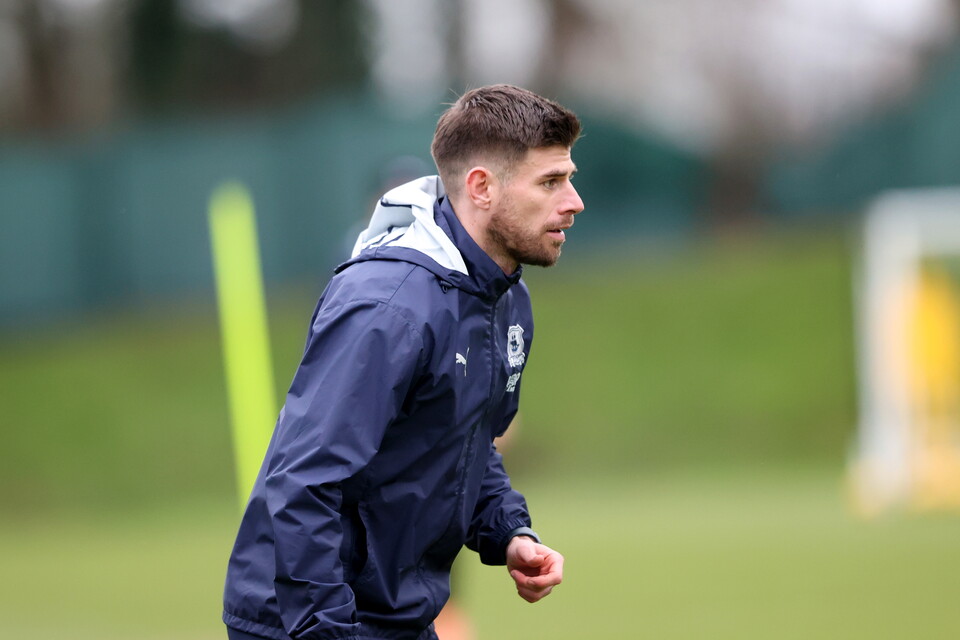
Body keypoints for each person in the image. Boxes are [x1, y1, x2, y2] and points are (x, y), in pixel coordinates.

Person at [222, 84, 584, 640]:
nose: (573, 201)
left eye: (570, 178)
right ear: (481, 187)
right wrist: (326, 630)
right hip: (308, 622)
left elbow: (465, 442)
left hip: (399, 616)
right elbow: (304, 484)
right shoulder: (389, 306)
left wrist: (508, 531)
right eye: (551, 182)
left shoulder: (505, 297)